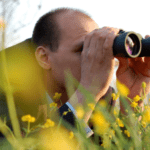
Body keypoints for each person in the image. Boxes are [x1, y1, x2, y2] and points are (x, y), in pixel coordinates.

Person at [31, 7, 150, 137]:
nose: (93, 56)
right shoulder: (12, 96)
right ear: (45, 58)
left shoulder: (104, 97)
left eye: (97, 47)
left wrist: (132, 100)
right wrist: (88, 92)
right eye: (83, 49)